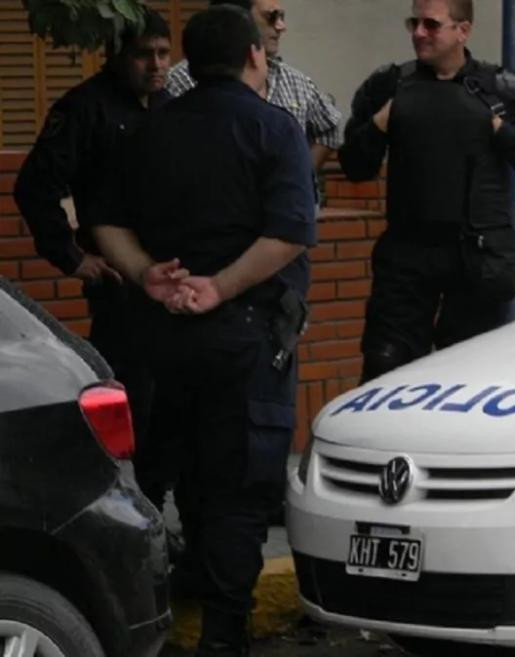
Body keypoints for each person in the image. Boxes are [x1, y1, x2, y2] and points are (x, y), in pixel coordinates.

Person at [93, 6, 316, 655]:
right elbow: (289, 234)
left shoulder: (149, 130)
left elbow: (103, 221)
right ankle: (224, 630)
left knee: (182, 474)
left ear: (188, 63)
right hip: (246, 339)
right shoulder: (275, 130)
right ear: (254, 56)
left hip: (164, 335)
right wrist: (219, 286)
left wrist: (146, 274)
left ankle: (177, 604)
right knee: (240, 489)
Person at [340, 0, 515, 382]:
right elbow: (354, 166)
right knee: (386, 370)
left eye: (432, 25)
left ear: (463, 30)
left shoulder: (502, 89)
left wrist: (498, 129)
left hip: (476, 259)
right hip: (407, 257)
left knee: (472, 378)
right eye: (414, 23)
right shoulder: (390, 85)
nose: (419, 33)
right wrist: (381, 123)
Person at [14, 10, 172, 506]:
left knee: (173, 411)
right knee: (132, 407)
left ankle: (161, 509)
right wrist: (73, 258)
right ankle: (131, 511)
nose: (155, 65)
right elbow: (35, 186)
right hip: (120, 289)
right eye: (144, 55)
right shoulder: (85, 108)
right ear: (117, 56)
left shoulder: (174, 108)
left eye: (164, 54)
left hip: (173, 285)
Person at [166, 0, 341, 169]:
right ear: (237, 18)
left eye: (282, 17)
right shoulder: (180, 81)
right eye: (271, 17)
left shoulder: (295, 81)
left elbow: (329, 129)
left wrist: (300, 175)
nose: (281, 27)